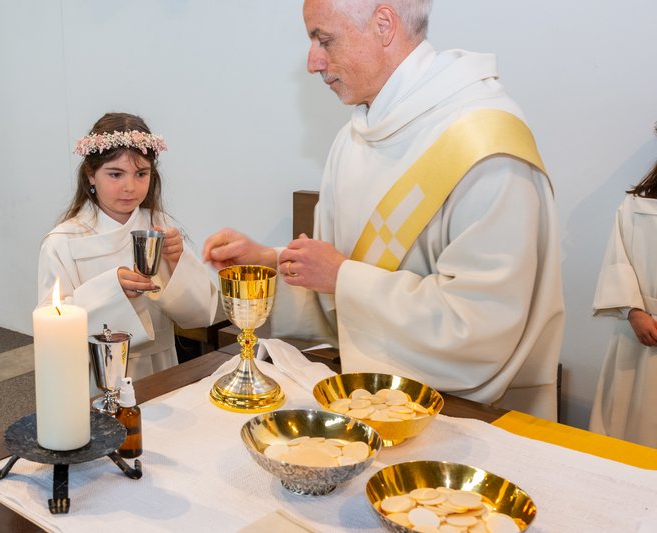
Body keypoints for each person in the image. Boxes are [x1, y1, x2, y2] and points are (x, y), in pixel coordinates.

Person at [203, 0, 564, 419]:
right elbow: (342, 280)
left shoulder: (485, 145)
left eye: (324, 40)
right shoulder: (355, 137)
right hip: (367, 400)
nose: (313, 62)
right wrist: (272, 262)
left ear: (384, 24)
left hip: (471, 416)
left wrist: (342, 277)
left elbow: (481, 329)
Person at [38, 112, 218, 380]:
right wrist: (112, 291)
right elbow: (51, 326)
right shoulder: (63, 241)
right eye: (115, 174)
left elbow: (201, 314)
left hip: (160, 365)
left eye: (141, 173)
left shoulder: (160, 226)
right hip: (99, 369)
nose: (130, 187)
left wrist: (177, 262)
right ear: (90, 175)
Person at [589, 156, 657, 447]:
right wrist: (634, 311)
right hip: (640, 326)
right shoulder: (636, 205)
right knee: (626, 423)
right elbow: (617, 258)